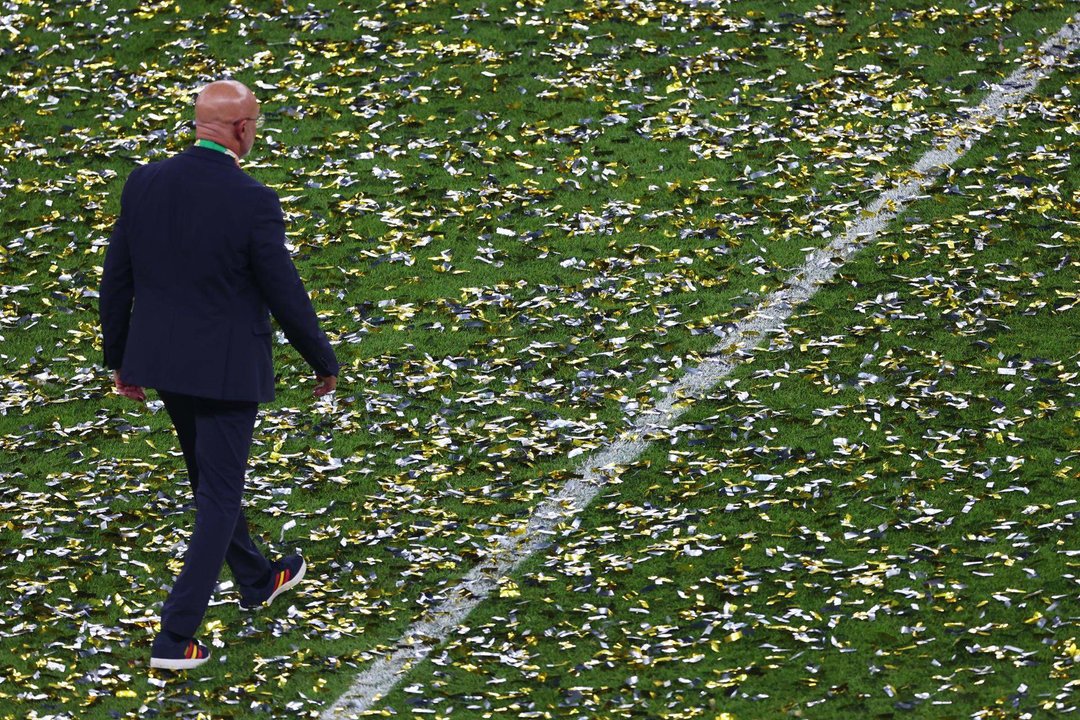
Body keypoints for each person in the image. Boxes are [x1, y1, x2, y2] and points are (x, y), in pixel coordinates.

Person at [99, 79, 339, 670]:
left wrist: (121, 359)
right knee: (218, 497)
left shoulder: (144, 182)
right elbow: (282, 288)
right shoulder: (251, 198)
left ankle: (258, 577)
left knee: (209, 481)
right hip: (227, 371)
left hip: (163, 364)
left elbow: (117, 278)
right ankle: (175, 636)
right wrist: (321, 358)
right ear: (243, 129)